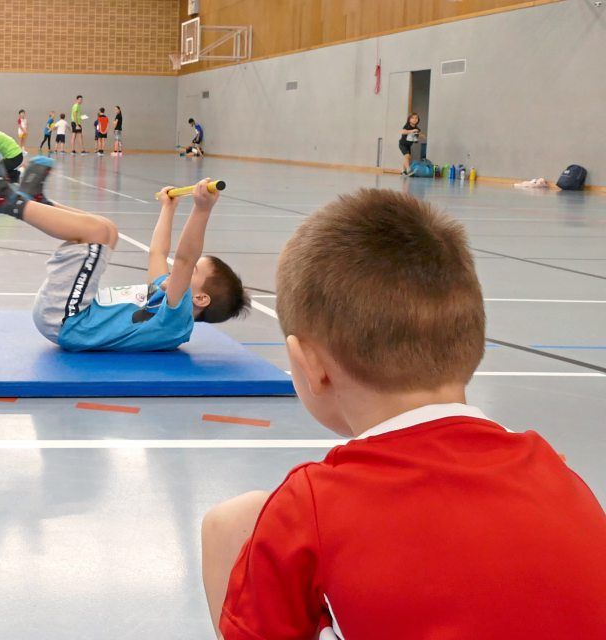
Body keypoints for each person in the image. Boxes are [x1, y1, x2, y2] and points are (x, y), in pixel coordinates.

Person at [199, 189, 606, 640]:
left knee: (231, 524)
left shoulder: (309, 505)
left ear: (310, 365)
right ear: (470, 340)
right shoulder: (558, 471)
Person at [0, 157, 248, 351]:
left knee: (97, 232)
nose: (181, 271)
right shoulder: (161, 298)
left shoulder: (176, 319)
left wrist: (202, 210)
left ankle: (9, 202)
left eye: (193, 272)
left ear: (200, 298)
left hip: (68, 322)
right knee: (109, 231)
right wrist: (168, 208)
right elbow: (158, 252)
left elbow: (184, 259)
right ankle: (40, 203)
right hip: (69, 314)